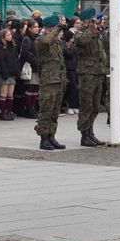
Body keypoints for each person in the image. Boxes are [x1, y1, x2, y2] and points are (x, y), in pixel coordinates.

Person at [75, 8, 107, 147]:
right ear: (87, 19)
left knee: (95, 105)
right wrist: (90, 27)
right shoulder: (81, 32)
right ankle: (84, 134)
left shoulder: (96, 32)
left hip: (98, 72)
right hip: (86, 73)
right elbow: (83, 41)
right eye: (93, 18)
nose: (96, 20)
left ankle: (90, 131)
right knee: (86, 105)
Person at [34, 16, 66, 150]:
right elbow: (46, 41)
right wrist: (58, 28)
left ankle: (52, 136)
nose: (59, 33)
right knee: (46, 110)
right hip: (48, 81)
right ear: (50, 28)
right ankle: (44, 138)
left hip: (59, 80)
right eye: (56, 29)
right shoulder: (40, 40)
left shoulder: (56, 43)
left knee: (55, 111)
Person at [0, 28, 18, 121]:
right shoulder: (0, 47)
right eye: (7, 35)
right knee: (3, 94)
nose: (10, 36)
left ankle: (9, 112)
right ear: (3, 37)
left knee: (10, 94)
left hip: (12, 73)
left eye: (10, 35)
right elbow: (1, 61)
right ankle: (3, 113)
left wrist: (16, 71)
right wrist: (4, 72)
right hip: (4, 74)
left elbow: (16, 60)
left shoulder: (13, 47)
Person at [19, 18, 41, 119]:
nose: (37, 29)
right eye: (35, 27)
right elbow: (27, 53)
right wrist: (36, 61)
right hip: (30, 67)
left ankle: (33, 108)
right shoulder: (26, 39)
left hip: (37, 67)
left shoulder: (38, 38)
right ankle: (29, 109)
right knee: (30, 87)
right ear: (30, 28)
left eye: (37, 27)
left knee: (36, 88)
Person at [62, 29, 79, 115]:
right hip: (67, 70)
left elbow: (76, 57)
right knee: (69, 88)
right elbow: (68, 54)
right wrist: (71, 47)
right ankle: (69, 106)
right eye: (72, 37)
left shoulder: (73, 47)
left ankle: (74, 105)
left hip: (74, 70)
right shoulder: (64, 47)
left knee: (75, 88)